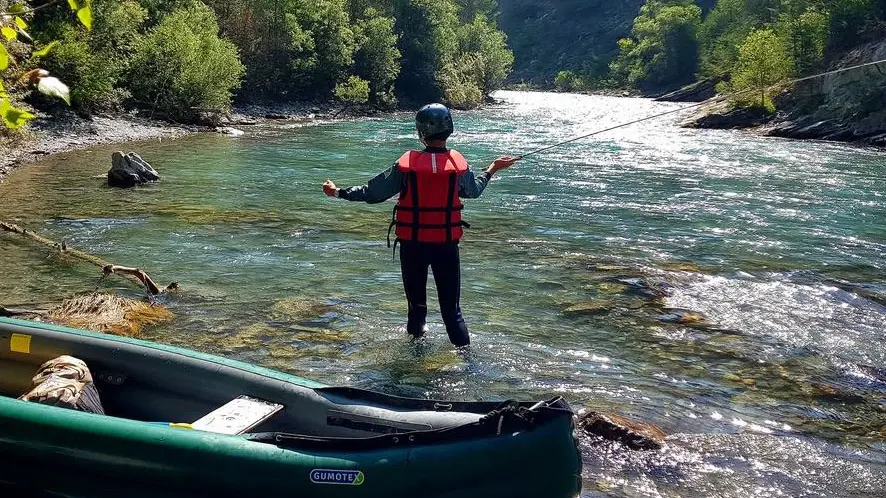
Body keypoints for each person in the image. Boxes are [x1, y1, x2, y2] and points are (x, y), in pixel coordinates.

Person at [323, 103, 520, 347]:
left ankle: (414, 360)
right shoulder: (458, 165)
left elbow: (373, 193)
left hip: (412, 246)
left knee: (416, 309)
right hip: (446, 246)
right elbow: (474, 191)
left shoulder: (405, 166)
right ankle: (466, 364)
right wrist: (492, 169)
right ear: (449, 129)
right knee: (452, 311)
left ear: (421, 132)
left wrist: (338, 192)